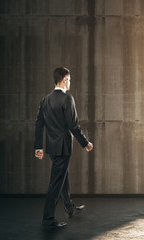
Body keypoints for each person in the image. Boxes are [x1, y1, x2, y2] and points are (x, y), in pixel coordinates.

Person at [34, 67, 93, 229]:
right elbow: (74, 126)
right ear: (64, 80)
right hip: (64, 147)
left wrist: (38, 146)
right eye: (69, 79)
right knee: (56, 183)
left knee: (63, 176)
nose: (70, 82)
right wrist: (85, 143)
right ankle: (48, 219)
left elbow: (39, 123)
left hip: (51, 147)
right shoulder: (67, 99)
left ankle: (69, 208)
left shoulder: (45, 100)